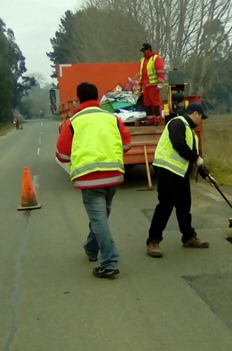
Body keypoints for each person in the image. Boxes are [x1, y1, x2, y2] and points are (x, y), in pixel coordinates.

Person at [55, 82, 132, 279]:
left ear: (79, 98)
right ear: (97, 97)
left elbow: (61, 154)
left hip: (89, 180)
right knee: (101, 218)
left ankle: (109, 262)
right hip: (113, 175)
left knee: (99, 220)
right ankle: (91, 249)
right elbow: (127, 145)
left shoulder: (73, 122)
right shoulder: (112, 118)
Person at [145, 103, 210, 258]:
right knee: (165, 206)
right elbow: (178, 144)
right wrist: (196, 158)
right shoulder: (177, 123)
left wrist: (206, 174)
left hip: (180, 174)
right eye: (201, 117)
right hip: (168, 171)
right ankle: (153, 241)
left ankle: (188, 237)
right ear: (195, 113)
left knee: (184, 206)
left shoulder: (191, 133)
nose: (201, 121)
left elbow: (195, 158)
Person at [138, 43, 165, 125]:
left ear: (149, 49)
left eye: (144, 51)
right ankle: (150, 120)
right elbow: (141, 73)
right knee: (147, 103)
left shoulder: (156, 58)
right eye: (142, 51)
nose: (143, 53)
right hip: (146, 85)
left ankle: (157, 119)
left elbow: (160, 71)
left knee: (155, 103)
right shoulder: (143, 60)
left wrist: (160, 83)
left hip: (153, 85)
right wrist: (140, 85)